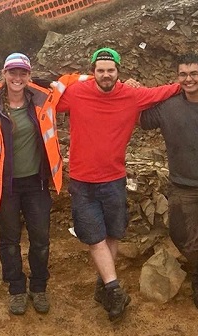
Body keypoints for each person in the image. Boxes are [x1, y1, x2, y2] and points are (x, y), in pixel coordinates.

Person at [53, 47, 181, 322]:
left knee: (112, 234)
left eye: (111, 70)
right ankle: (114, 289)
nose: (106, 75)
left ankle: (103, 288)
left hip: (113, 178)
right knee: (96, 237)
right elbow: (48, 98)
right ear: (93, 72)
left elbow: (164, 91)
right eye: (100, 70)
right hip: (82, 180)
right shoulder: (77, 93)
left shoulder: (132, 95)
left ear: (118, 73)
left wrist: (190, 83)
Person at [0, 53, 79, 315]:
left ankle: (39, 286)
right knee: (9, 241)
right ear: (4, 74)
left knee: (40, 239)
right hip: (5, 187)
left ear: (29, 75)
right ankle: (17, 289)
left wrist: (98, 76)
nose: (17, 78)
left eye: (23, 73)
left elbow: (69, 80)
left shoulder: (43, 101)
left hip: (37, 183)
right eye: (13, 72)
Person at [140, 53, 198, 311]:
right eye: (183, 74)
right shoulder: (167, 107)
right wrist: (131, 89)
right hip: (183, 186)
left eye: (194, 73)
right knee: (184, 237)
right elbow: (141, 118)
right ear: (177, 77)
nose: (188, 78)